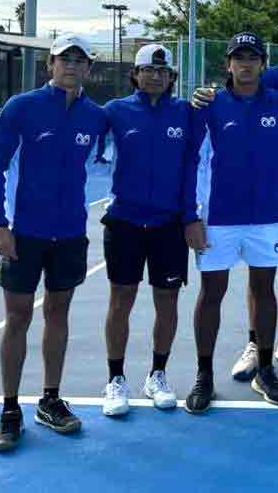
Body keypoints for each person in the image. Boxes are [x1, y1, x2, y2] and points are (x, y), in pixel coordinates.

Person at [0, 34, 107, 453]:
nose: (72, 65)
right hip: (24, 235)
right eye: (64, 59)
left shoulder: (95, 117)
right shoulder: (23, 108)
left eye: (80, 60)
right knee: (18, 318)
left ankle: (50, 400)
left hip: (70, 233)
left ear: (89, 69)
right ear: (50, 65)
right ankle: (10, 410)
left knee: (58, 312)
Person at [194, 17, 278, 379]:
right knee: (257, 278)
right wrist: (202, 94)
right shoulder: (268, 81)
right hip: (259, 196)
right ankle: (256, 345)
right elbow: (226, 101)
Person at [184, 32, 278, 412]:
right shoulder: (210, 106)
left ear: (263, 64)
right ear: (228, 65)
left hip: (267, 219)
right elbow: (197, 164)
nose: (245, 63)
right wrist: (193, 215)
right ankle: (203, 376)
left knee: (264, 290)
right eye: (238, 57)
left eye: (252, 57)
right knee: (211, 293)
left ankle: (266, 370)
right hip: (219, 220)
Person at [98, 44, 197, 416]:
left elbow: (194, 164)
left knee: (167, 300)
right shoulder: (115, 112)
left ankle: (158, 373)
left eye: (162, 71)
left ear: (171, 77)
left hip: (168, 225)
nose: (154, 76)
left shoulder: (185, 112)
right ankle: (115, 378)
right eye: (147, 70)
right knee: (120, 299)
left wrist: (190, 216)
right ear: (135, 75)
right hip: (124, 221)